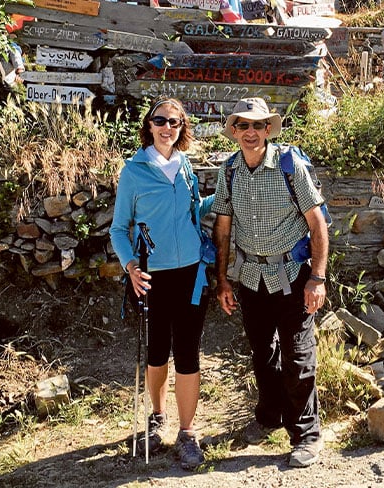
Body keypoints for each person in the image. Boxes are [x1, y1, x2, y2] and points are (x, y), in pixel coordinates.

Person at [211, 98, 328, 468]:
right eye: (243, 126)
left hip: (293, 277)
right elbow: (223, 228)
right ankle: (269, 416)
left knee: (297, 355)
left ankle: (306, 434)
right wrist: (223, 281)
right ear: (234, 132)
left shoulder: (289, 166)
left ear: (268, 130)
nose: (250, 133)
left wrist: (318, 278)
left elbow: (317, 224)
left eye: (257, 126)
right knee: (262, 353)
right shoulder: (229, 171)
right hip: (250, 277)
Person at [109, 97, 213, 471]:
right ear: (149, 125)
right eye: (161, 121)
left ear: (182, 127)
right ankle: (157, 416)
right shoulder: (133, 172)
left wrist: (225, 198)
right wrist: (130, 266)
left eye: (175, 121)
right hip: (151, 278)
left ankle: (187, 433)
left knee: (187, 352)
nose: (167, 127)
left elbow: (194, 212)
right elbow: (119, 229)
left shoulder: (185, 167)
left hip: (191, 274)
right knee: (157, 352)